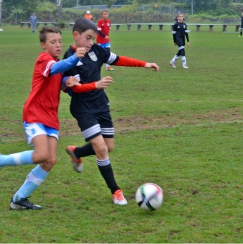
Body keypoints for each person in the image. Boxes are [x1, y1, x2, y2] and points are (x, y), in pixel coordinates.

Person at [0, 26, 109, 210]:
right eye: (53, 42)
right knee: (42, 154)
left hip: (51, 118)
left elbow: (64, 84)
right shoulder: (45, 60)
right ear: (43, 45)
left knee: (49, 160)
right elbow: (55, 68)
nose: (58, 45)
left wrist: (68, 83)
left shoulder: (59, 64)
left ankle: (19, 198)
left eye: (59, 41)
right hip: (35, 114)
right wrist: (75, 58)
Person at [62, 18, 159, 206]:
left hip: (101, 105)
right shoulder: (70, 59)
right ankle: (116, 191)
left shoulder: (97, 50)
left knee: (109, 146)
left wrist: (144, 64)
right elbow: (74, 90)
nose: (91, 42)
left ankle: (76, 152)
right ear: (76, 35)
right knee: (101, 149)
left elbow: (118, 59)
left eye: (93, 38)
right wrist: (96, 85)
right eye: (88, 38)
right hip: (83, 109)